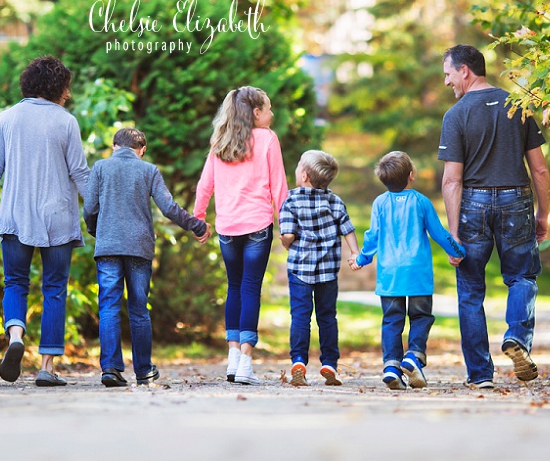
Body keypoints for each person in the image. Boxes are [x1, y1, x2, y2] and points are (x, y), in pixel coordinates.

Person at [438, 44, 550, 388]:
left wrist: (453, 233)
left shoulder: (455, 116)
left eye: (448, 74)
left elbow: (452, 180)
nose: (446, 82)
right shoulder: (518, 107)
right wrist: (543, 213)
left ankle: (480, 374)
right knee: (522, 276)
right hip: (516, 199)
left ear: (465, 71)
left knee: (471, 288)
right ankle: (516, 336)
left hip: (472, 203)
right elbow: (540, 170)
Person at [0, 56, 90, 387]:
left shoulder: (7, 118)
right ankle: (46, 367)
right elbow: (79, 172)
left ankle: (15, 336)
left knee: (15, 283)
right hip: (57, 217)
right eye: (67, 87)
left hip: (15, 214)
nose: (68, 94)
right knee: (54, 289)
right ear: (57, 87)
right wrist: (95, 209)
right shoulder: (66, 121)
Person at [83, 128, 211, 387]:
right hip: (139, 247)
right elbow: (168, 208)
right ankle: (144, 371)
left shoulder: (100, 167)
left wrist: (97, 231)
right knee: (139, 310)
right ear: (141, 150)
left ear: (115, 146)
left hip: (108, 246)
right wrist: (196, 225)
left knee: (108, 306)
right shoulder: (148, 169)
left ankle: (110, 368)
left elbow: (89, 208)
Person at [193, 86, 289, 385]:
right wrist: (286, 226)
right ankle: (246, 362)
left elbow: (204, 184)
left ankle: (233, 358)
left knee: (234, 287)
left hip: (227, 228)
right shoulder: (267, 139)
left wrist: (199, 219)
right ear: (256, 113)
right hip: (257, 226)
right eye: (268, 109)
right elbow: (279, 187)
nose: (272, 114)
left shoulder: (219, 141)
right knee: (249, 289)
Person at [351, 151, 465, 390]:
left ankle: (391, 367)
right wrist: (457, 250)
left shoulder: (379, 203)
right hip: (417, 274)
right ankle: (412, 357)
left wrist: (362, 258)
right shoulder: (421, 201)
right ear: (411, 175)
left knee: (392, 321)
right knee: (421, 317)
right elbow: (438, 232)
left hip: (390, 275)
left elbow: (373, 237)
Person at [278, 150, 360, 387]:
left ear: (303, 175)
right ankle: (329, 363)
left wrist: (285, 243)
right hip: (327, 269)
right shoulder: (334, 200)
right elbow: (348, 229)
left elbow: (288, 235)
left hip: (299, 269)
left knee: (301, 317)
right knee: (327, 317)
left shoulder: (291, 200)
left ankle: (299, 361)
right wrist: (354, 252)